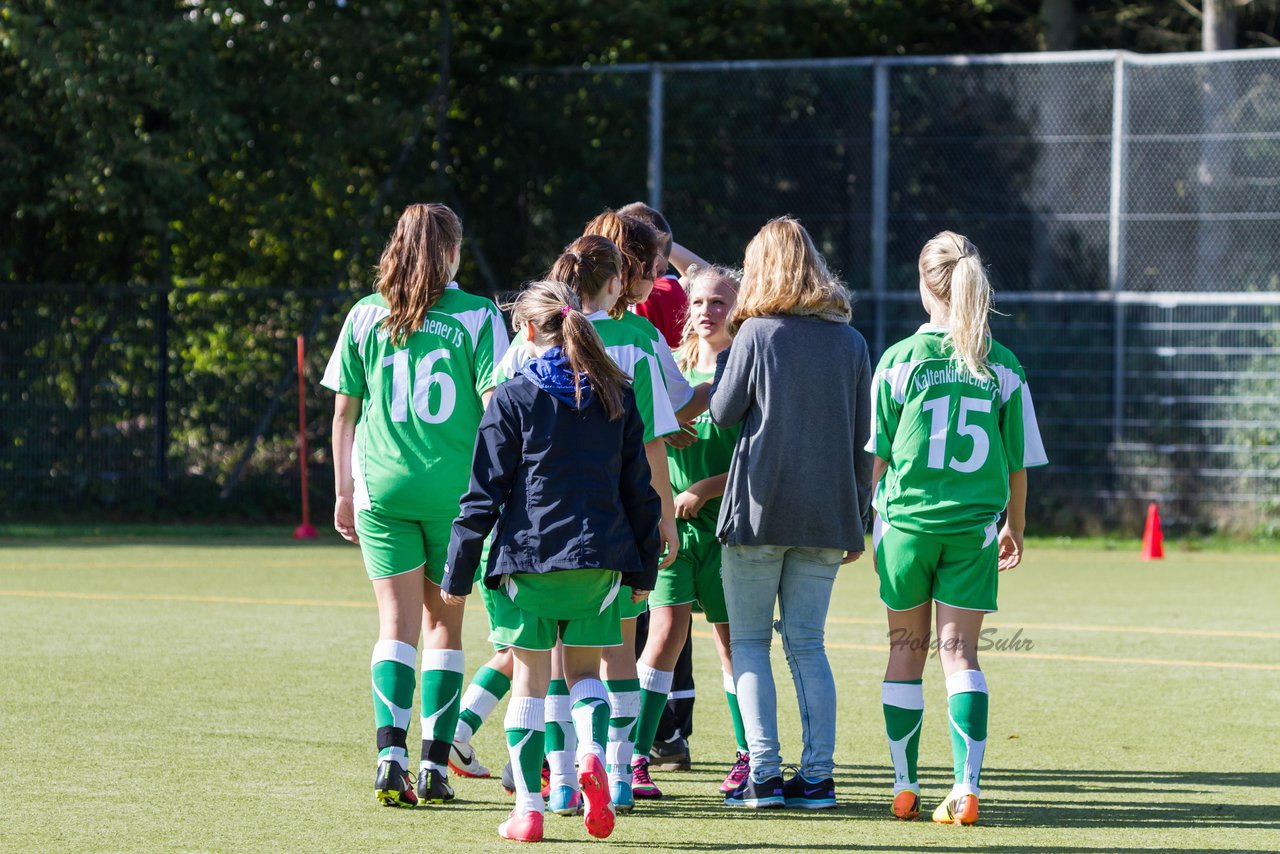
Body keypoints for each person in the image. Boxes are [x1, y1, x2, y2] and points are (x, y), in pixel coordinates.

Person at [439, 280, 662, 843]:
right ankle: (593, 757)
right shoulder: (618, 394)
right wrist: (642, 574)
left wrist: (458, 573)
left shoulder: (513, 396)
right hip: (602, 564)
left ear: (530, 330)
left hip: (528, 564)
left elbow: (482, 494)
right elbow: (641, 492)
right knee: (587, 675)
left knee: (531, 688)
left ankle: (530, 811)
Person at [322, 202, 509, 807]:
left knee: (395, 627)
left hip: (382, 488)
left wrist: (344, 491)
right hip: (456, 496)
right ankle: (433, 766)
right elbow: (498, 410)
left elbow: (343, 413)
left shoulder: (365, 315)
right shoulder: (478, 315)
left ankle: (389, 758)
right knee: (443, 628)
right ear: (452, 251)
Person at [495, 234, 681, 815]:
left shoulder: (523, 359)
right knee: (610, 656)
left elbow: (492, 432)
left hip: (533, 540)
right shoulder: (639, 341)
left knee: (542, 670)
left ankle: (552, 786)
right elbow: (651, 444)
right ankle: (619, 771)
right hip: (611, 535)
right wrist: (662, 519)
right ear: (618, 281)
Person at [869, 231, 1047, 826]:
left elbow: (878, 457)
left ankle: (904, 785)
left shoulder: (899, 359)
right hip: (972, 528)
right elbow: (1017, 462)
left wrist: (857, 519)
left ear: (925, 285)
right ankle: (965, 788)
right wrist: (1014, 526)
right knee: (960, 656)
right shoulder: (1002, 363)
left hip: (904, 526)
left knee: (904, 652)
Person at [709, 216, 872, 810]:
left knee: (750, 642)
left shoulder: (757, 334)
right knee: (808, 644)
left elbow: (724, 414)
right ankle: (819, 778)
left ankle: (765, 776)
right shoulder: (852, 342)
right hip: (828, 515)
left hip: (758, 508)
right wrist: (860, 517)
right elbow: (864, 441)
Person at [631, 264, 751, 797]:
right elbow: (644, 439)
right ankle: (633, 755)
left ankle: (749, 755)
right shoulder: (671, 369)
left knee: (731, 644)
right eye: (699, 302)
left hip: (728, 528)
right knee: (662, 638)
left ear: (739, 310)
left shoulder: (747, 370)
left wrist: (704, 488)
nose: (707, 311)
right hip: (673, 533)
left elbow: (760, 457)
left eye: (720, 302)